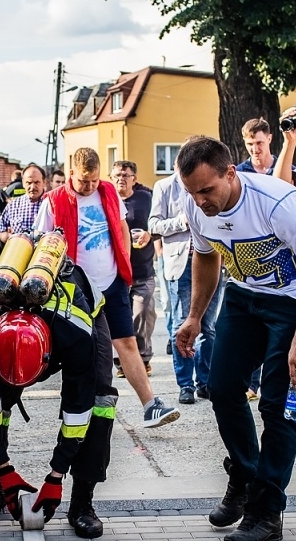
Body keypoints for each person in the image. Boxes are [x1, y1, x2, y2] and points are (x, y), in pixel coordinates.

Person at [173, 135, 296, 541]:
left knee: (278, 405)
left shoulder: (278, 203)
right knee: (223, 387)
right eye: (192, 193)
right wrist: (195, 316)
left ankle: (267, 511)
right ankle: (246, 477)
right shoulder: (197, 206)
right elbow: (206, 255)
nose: (200, 201)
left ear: (231, 174)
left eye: (207, 190)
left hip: (295, 304)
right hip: (245, 298)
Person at [0, 243, 116, 539]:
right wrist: (5, 470)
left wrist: (56, 476)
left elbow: (77, 410)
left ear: (48, 357)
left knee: (99, 402)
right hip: (3, 345)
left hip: (81, 320)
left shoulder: (75, 334)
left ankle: (82, 502)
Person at [37, 148, 179, 428]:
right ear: (71, 173)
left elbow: (122, 229)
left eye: (94, 180)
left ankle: (150, 405)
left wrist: (124, 268)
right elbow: (44, 246)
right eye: (83, 181)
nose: (89, 187)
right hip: (77, 290)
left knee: (127, 342)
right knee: (87, 351)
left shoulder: (109, 193)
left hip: (113, 283)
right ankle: (83, 411)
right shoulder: (53, 202)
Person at [150, 170, 219, 405]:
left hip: (211, 260)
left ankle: (205, 382)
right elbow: (153, 226)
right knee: (181, 324)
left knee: (208, 327)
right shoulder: (164, 186)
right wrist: (182, 220)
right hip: (180, 264)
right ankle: (185, 385)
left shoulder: (210, 182)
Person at [113, 161, 157, 375]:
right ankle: (122, 363)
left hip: (142, 269)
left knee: (141, 314)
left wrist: (150, 235)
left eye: (126, 175)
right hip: (117, 271)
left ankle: (143, 358)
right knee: (119, 317)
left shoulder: (145, 199)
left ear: (134, 179)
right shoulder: (108, 201)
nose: (121, 178)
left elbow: (158, 223)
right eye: (117, 175)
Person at [0, 163, 46, 242]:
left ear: (44, 182)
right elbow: (2, 230)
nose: (33, 187)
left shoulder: (52, 204)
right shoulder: (13, 205)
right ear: (23, 183)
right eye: (29, 183)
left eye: (37, 182)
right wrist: (10, 236)